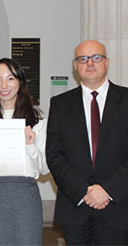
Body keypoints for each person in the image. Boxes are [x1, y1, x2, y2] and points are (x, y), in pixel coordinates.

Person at [46, 40, 128, 245]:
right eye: (83, 59)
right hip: (76, 207)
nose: (90, 63)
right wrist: (84, 192)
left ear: (107, 62)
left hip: (118, 206)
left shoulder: (126, 99)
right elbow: (54, 155)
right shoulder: (60, 104)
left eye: (96, 57)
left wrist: (107, 190)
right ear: (75, 66)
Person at [0, 58, 48, 245]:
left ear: (20, 82)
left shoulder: (38, 122)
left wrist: (30, 145)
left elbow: (44, 168)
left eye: (10, 79)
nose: (4, 85)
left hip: (26, 196)